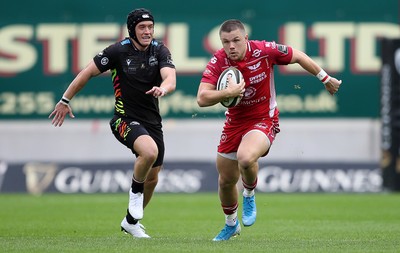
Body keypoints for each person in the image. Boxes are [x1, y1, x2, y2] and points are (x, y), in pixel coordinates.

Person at [197, 19, 342, 241]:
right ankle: (231, 224)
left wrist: (325, 78)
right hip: (234, 122)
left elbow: (298, 56)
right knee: (225, 180)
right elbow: (202, 98)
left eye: (236, 40)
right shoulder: (219, 60)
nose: (231, 46)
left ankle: (249, 194)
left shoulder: (264, 50)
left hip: (264, 118)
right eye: (226, 42)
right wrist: (228, 93)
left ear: (246, 38)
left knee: (245, 158)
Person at [49, 8, 176, 238]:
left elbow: (171, 78)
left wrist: (163, 88)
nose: (147, 32)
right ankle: (134, 196)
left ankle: (130, 222)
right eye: (142, 27)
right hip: (123, 119)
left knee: (153, 177)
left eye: (150, 27)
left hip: (153, 123)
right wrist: (65, 100)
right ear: (132, 30)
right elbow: (86, 73)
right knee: (148, 152)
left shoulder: (160, 50)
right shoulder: (117, 51)